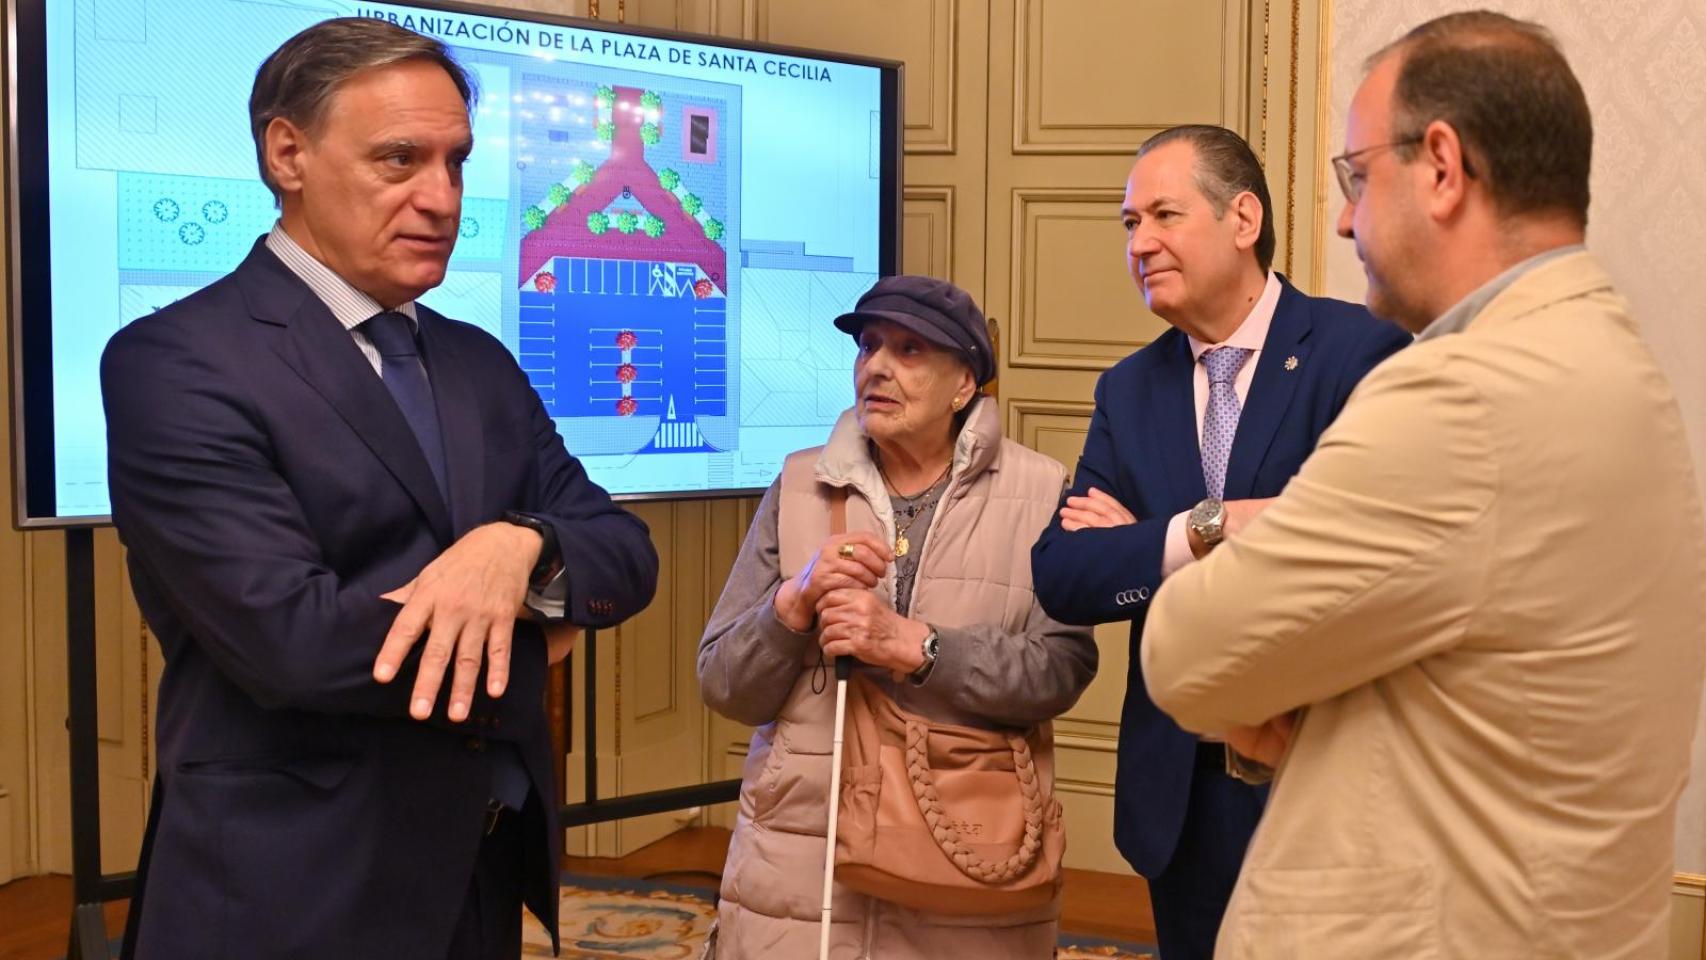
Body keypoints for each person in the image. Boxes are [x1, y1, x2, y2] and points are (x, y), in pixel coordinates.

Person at [1142, 12, 1706, 958]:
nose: (1343, 219)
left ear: (1441, 166)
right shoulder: (1616, 370)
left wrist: (1288, 682)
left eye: (1357, 177)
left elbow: (1185, 652)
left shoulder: (1463, 393)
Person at [101, 18, 658, 960]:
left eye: (455, 162)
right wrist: (540, 644)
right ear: (289, 153)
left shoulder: (475, 360)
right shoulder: (177, 361)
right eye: (400, 159)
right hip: (295, 887)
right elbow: (297, 643)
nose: (441, 198)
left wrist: (516, 547)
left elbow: (621, 549)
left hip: (479, 875)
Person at [1027, 125, 1408, 959]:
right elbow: (1063, 575)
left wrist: (1146, 543)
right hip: (1181, 796)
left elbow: (1357, 559)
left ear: (1243, 218)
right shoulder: (1129, 390)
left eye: (1163, 214)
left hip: (1316, 778)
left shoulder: (1359, 354)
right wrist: (1212, 526)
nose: (1141, 243)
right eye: (1129, 223)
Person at [697, 275, 1097, 958]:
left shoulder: (1042, 493)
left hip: (969, 878)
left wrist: (920, 647)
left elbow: (1060, 672)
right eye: (869, 346)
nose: (877, 366)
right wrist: (789, 608)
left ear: (965, 383)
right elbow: (725, 685)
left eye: (910, 350)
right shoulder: (797, 486)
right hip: (798, 881)